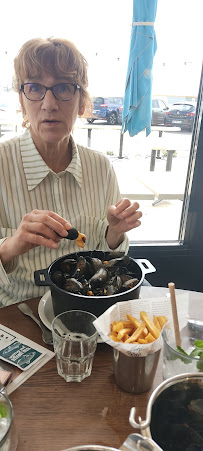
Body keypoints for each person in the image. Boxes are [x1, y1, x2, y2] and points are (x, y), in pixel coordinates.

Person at [0, 37, 142, 307]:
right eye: (35, 88)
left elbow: (108, 258)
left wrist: (115, 233)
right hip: (18, 312)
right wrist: (11, 244)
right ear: (21, 100)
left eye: (63, 87)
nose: (49, 103)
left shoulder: (100, 167)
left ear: (81, 102)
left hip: (88, 307)